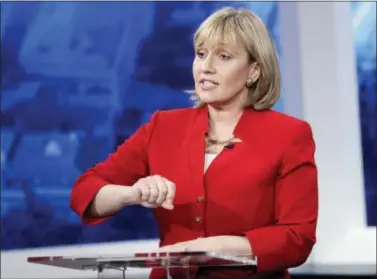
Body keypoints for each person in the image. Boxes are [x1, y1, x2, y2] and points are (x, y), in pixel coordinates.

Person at [70, 6, 318, 279]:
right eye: (201, 54)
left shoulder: (289, 134)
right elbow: (86, 192)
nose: (206, 67)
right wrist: (132, 193)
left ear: (254, 71)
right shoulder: (163, 127)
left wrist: (209, 249)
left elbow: (297, 238)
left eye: (223, 57)